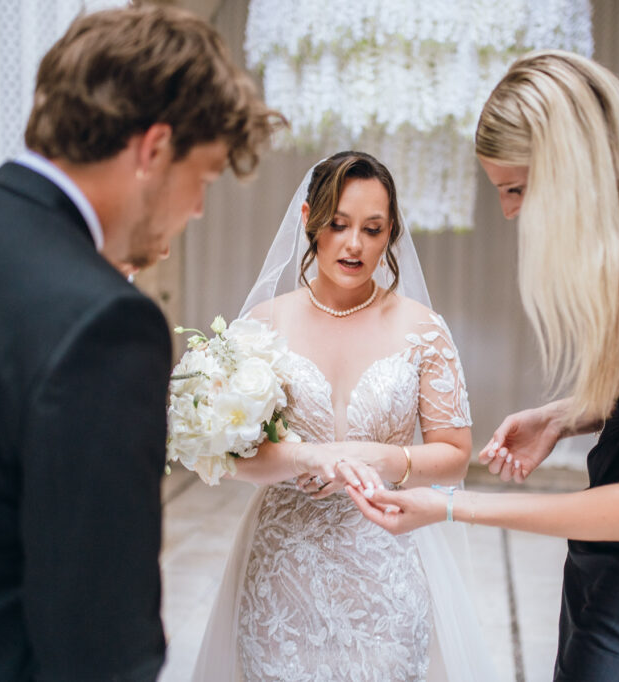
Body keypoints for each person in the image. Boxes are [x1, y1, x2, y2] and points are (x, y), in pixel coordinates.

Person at [0, 6, 279, 681]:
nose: (197, 208)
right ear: (153, 149)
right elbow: (101, 637)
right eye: (204, 175)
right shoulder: (104, 323)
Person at [349, 50, 619, 682]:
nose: (510, 213)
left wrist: (453, 504)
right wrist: (565, 415)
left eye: (518, 188)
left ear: (573, 165)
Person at [188, 151, 496, 681]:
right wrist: (305, 457)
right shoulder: (263, 326)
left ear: (391, 232)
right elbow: (230, 456)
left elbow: (454, 456)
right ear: (309, 220)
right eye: (338, 225)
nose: (354, 244)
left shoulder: (424, 330)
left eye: (372, 229)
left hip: (386, 560)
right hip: (282, 567)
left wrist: (381, 457)